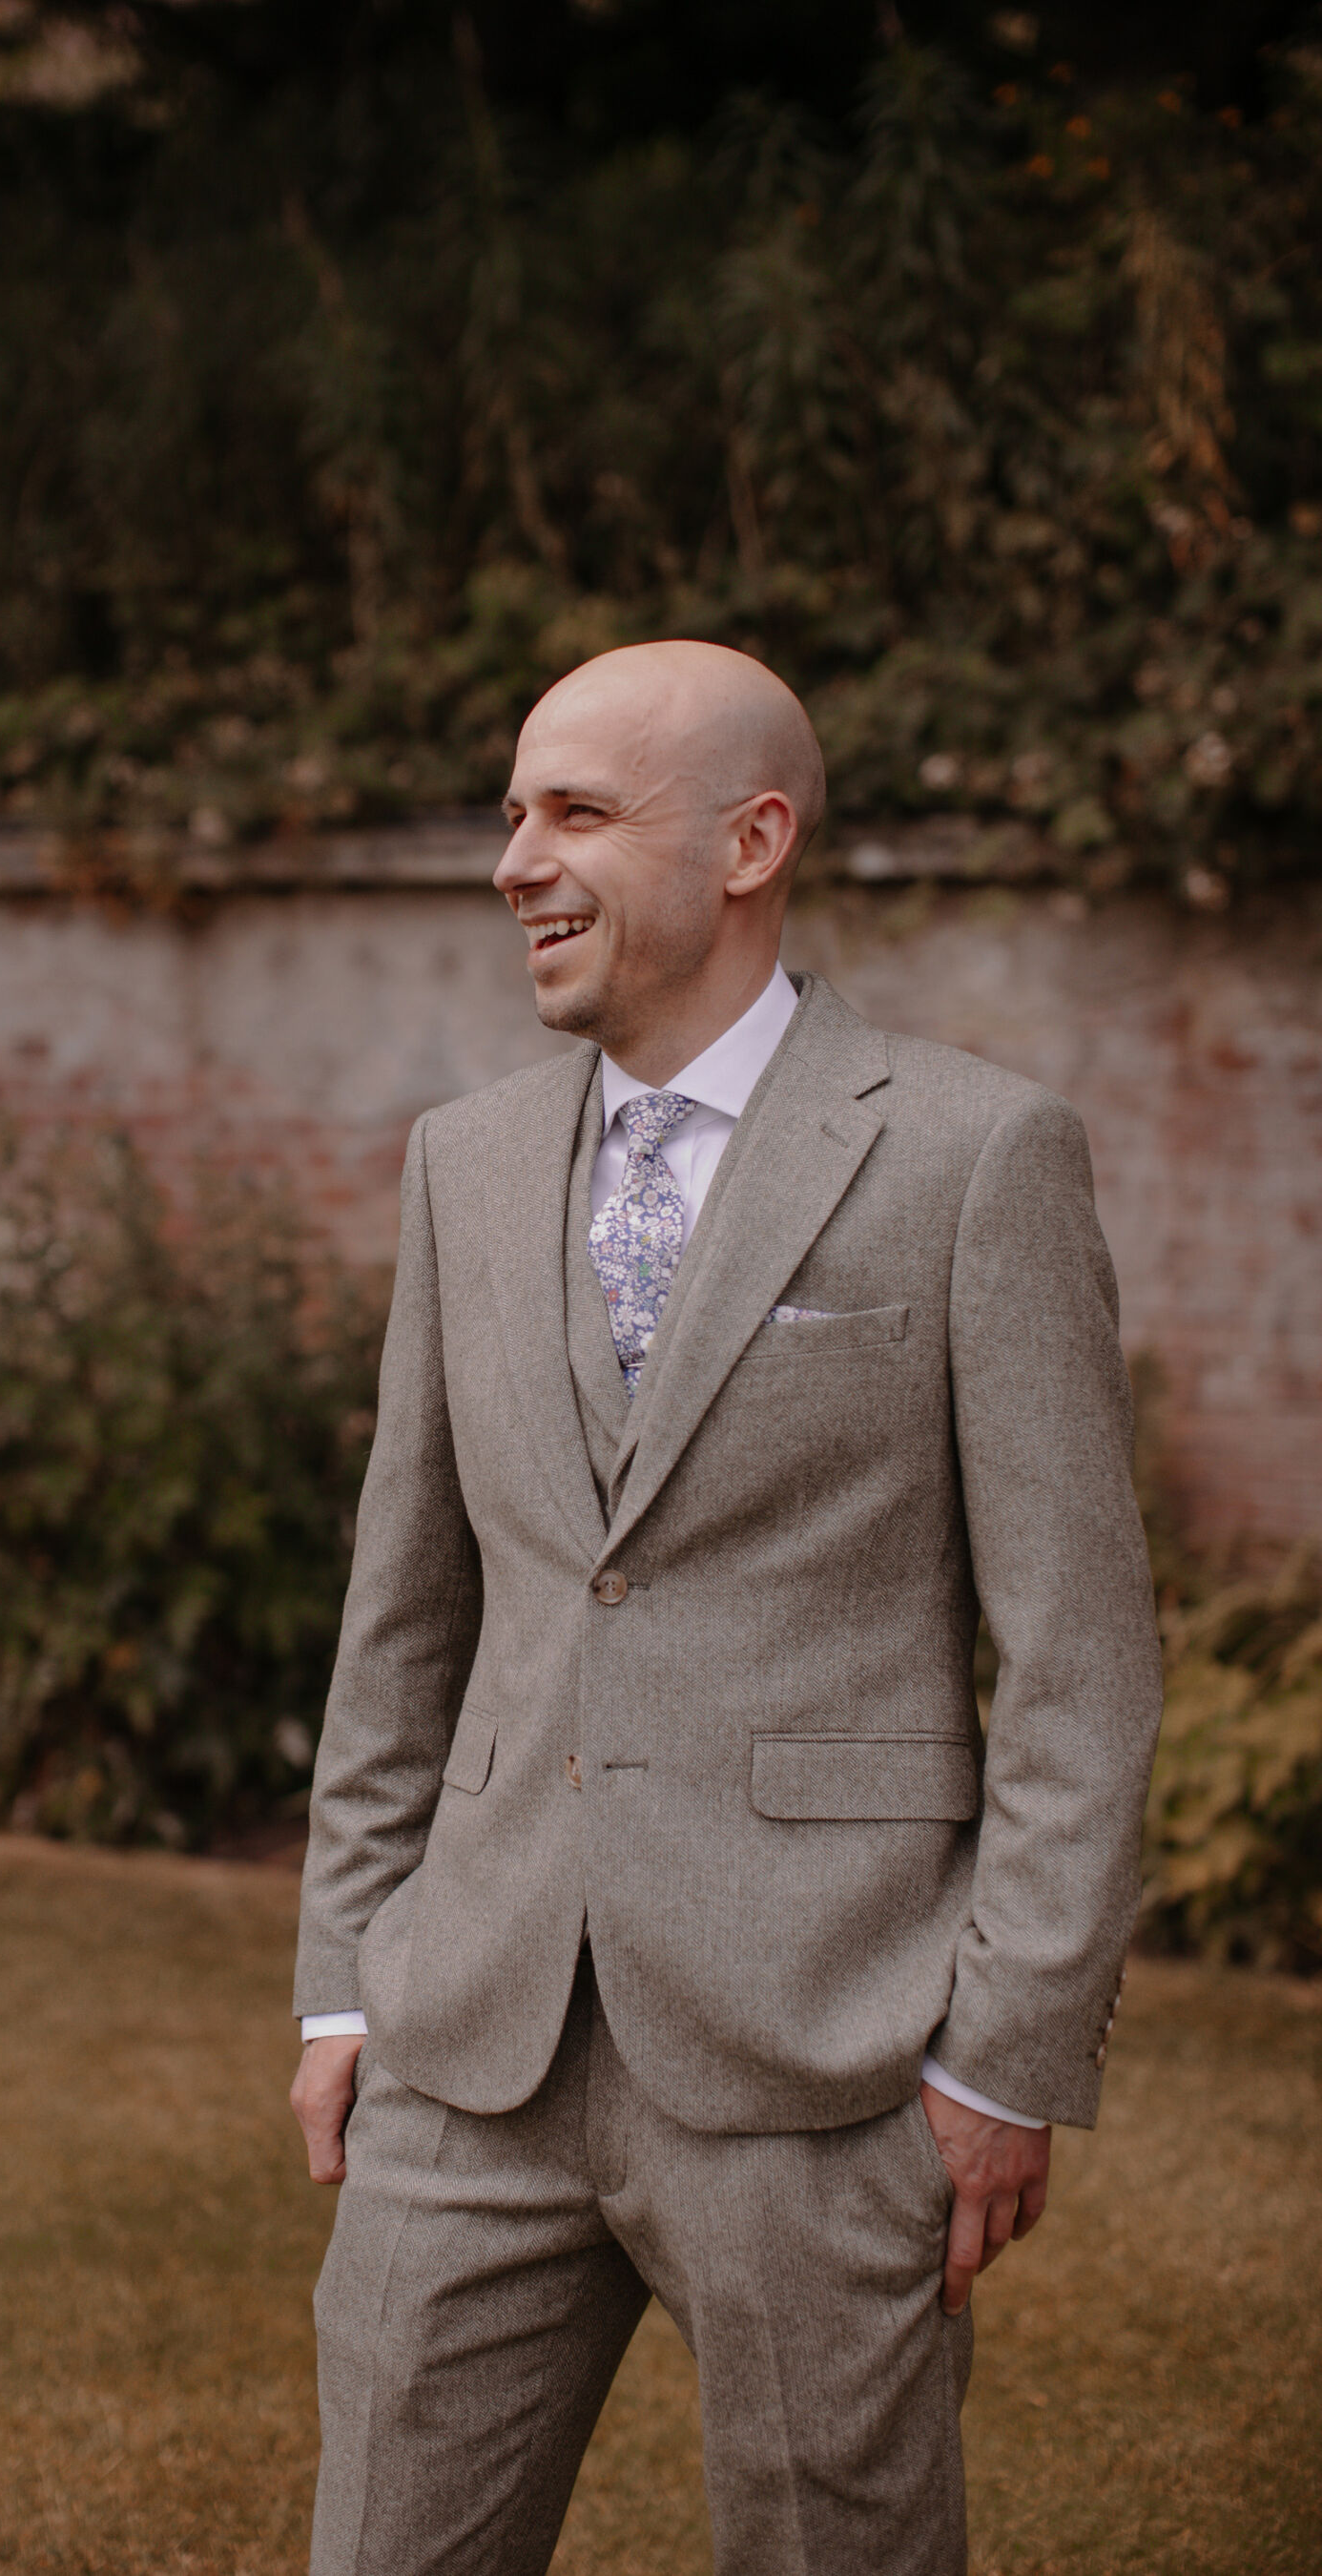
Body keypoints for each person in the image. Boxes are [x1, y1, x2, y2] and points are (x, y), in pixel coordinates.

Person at [289, 640, 1163, 2576]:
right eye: (514, 812)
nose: (515, 858)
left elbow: (1083, 1663)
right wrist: (351, 1973)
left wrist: (1001, 2056)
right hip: (472, 2040)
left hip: (822, 2052)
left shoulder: (968, 1157)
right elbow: (405, 1607)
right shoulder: (466, 1164)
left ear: (751, 839)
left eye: (574, 811)